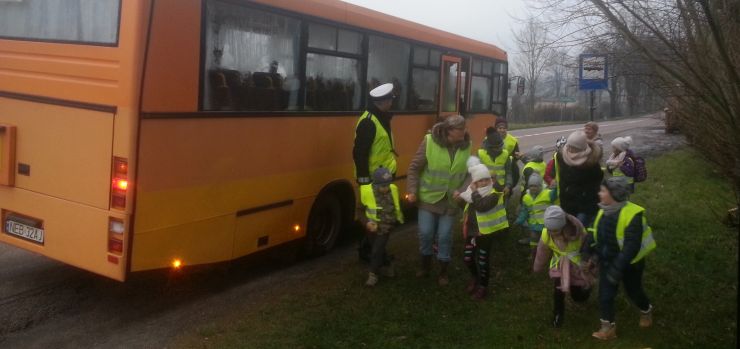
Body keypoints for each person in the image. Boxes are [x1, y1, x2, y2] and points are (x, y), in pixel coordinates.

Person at [582, 177, 656, 340]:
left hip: (631, 264)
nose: (599, 193)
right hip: (608, 261)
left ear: (614, 194)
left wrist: (617, 268)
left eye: (602, 191)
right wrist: (592, 255)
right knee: (605, 294)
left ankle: (646, 310)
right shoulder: (603, 210)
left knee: (634, 291)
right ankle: (608, 328)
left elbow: (631, 247)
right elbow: (595, 235)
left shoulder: (633, 215)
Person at [407, 115, 471, 286]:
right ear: (449, 131)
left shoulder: (466, 146)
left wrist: (463, 190)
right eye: (461, 129)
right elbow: (414, 168)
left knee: (444, 236)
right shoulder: (429, 142)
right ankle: (425, 266)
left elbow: (469, 174)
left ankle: (443, 271)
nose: (465, 132)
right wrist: (412, 191)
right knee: (426, 233)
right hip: (428, 198)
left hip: (451, 201)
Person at [353, 83, 398, 262]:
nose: (392, 103)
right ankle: (375, 255)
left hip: (382, 177)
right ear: (384, 101)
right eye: (390, 100)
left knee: (379, 219)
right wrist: (364, 181)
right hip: (372, 180)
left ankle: (370, 252)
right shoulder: (369, 122)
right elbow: (359, 152)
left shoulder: (380, 118)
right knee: (376, 220)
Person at [533, 206, 594, 327]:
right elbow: (542, 251)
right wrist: (537, 267)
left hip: (577, 267)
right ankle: (558, 315)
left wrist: (588, 261)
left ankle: (585, 292)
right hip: (560, 266)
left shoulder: (577, 231)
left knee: (577, 295)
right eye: (549, 229)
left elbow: (589, 247)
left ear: (563, 225)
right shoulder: (546, 234)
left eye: (555, 230)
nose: (552, 233)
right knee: (558, 291)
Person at [458, 159, 507, 300]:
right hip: (473, 232)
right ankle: (475, 277)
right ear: (474, 182)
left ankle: (483, 287)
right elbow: (467, 208)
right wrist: (460, 198)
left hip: (486, 234)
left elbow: (481, 206)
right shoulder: (471, 193)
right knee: (467, 258)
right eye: (480, 181)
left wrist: (473, 192)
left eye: (486, 179)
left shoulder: (494, 194)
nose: (484, 183)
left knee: (482, 261)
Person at [358, 167, 404, 287]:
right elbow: (359, 211)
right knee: (378, 249)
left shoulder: (393, 189)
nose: (386, 188)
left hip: (386, 226)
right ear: (376, 184)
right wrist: (367, 223)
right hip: (371, 227)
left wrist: (395, 219)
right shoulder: (367, 192)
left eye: (388, 185)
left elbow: (397, 206)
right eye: (383, 186)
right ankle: (388, 264)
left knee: (376, 250)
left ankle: (373, 275)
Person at [552, 130, 603, 227]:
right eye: (569, 145)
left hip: (584, 207)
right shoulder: (563, 157)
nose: (570, 149)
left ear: (581, 148)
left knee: (580, 230)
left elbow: (594, 188)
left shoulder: (591, 163)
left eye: (574, 147)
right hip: (566, 203)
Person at [515, 173, 558, 251]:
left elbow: (555, 194)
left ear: (540, 186)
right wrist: (519, 220)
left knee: (546, 242)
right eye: (531, 186)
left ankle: (545, 254)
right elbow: (525, 211)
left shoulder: (548, 194)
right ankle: (533, 254)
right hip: (533, 226)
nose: (533, 188)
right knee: (534, 241)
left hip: (546, 226)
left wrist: (556, 186)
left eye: (535, 186)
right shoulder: (526, 198)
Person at [478, 127, 514, 197]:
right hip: (486, 188)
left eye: (500, 147)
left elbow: (508, 172)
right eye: (496, 148)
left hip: (502, 188)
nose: (499, 149)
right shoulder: (480, 154)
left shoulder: (505, 154)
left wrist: (508, 185)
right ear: (489, 146)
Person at [495, 118, 521, 194]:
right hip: (494, 166)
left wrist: (516, 156)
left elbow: (516, 154)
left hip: (508, 167)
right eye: (500, 128)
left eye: (504, 128)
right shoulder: (489, 139)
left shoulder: (513, 140)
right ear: (496, 129)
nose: (502, 130)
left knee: (515, 171)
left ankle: (510, 190)